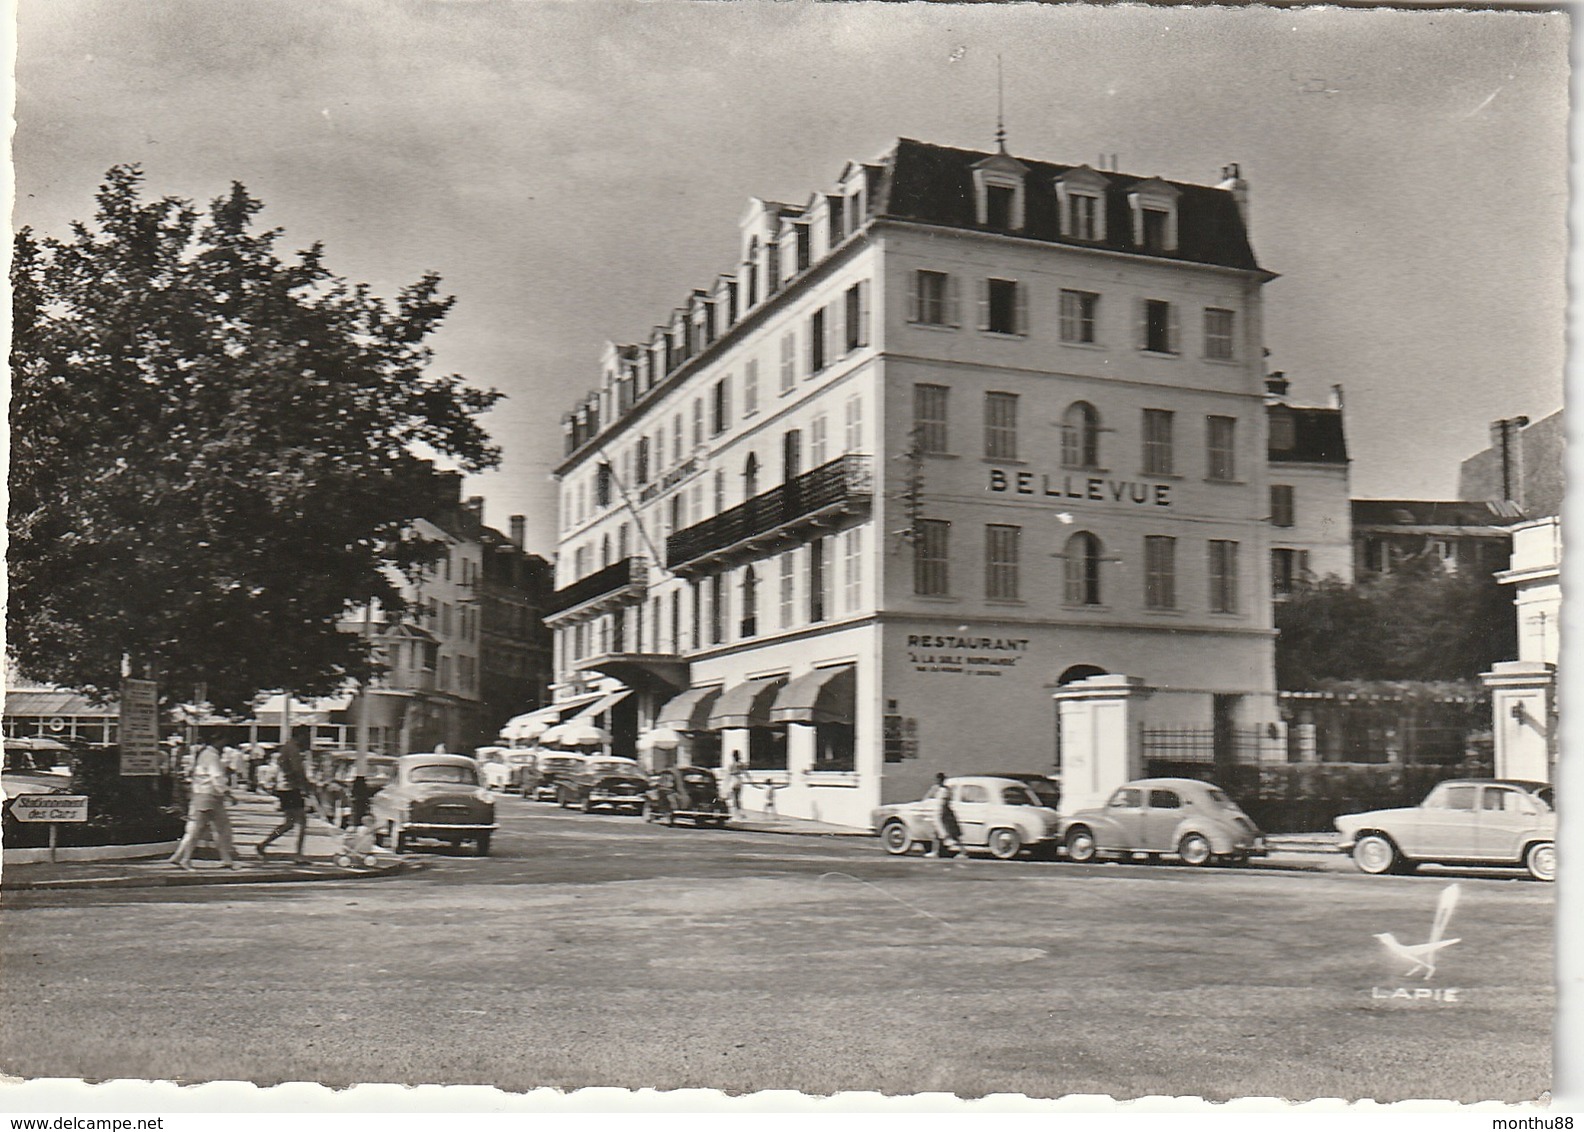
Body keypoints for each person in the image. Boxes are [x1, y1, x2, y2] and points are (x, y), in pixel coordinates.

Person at [168, 746, 238, 870]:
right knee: (199, 829)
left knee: (218, 828)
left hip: (206, 795)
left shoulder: (204, 754)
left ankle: (226, 859)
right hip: (209, 795)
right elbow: (216, 777)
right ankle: (185, 859)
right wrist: (227, 793)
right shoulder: (212, 756)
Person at [257, 739, 314, 862]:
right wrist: (306, 785)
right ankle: (298, 854)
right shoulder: (293, 749)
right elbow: (297, 769)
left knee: (290, 822)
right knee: (301, 821)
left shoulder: (286, 748)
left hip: (284, 787)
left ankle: (264, 844)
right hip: (290, 788)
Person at [924, 772, 965, 858]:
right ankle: (935, 851)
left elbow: (944, 803)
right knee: (936, 834)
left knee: (953, 833)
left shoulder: (945, 790)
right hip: (939, 813)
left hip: (945, 814)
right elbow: (927, 797)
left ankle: (963, 852)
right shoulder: (937, 789)